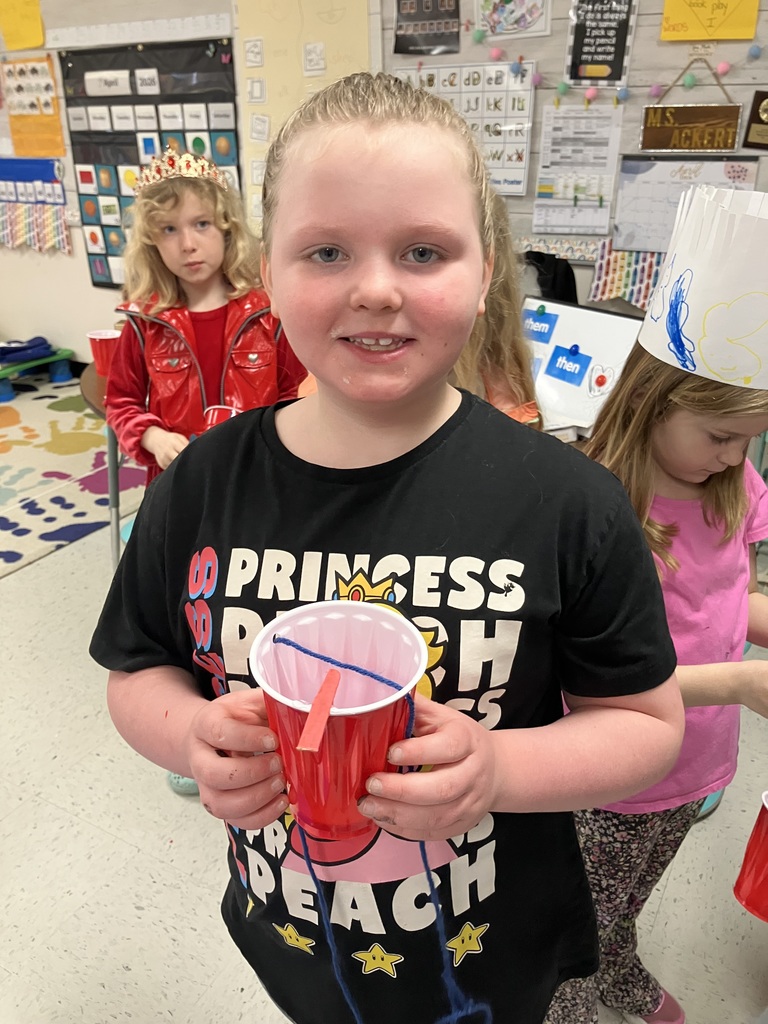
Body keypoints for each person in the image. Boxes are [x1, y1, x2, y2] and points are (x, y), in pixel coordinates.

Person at [90, 72, 684, 1024]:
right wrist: (191, 738)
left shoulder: (568, 501)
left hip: (491, 951)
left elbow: (649, 727)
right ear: (268, 278)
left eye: (422, 250)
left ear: (485, 270)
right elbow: (137, 673)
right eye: (326, 251)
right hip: (289, 932)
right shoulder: (202, 482)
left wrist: (500, 769)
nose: (374, 287)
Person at [543, 339, 768, 1024]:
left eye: (751, 441)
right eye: (721, 436)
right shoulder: (595, 512)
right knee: (577, 917)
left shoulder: (734, 487)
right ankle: (570, 1002)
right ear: (649, 401)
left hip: (696, 764)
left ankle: (617, 964)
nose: (735, 456)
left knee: (633, 894)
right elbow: (591, 679)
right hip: (614, 779)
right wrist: (740, 685)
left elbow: (728, 599)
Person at [106, 148, 306, 486]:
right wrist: (152, 437)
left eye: (201, 224)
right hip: (178, 482)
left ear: (226, 228)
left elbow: (295, 397)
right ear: (151, 241)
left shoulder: (268, 314)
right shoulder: (145, 324)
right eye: (169, 229)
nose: (188, 244)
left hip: (257, 478)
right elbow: (120, 402)